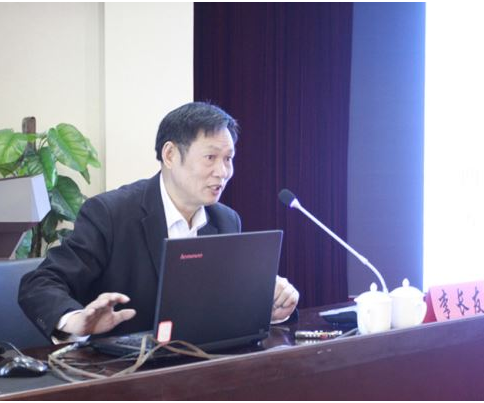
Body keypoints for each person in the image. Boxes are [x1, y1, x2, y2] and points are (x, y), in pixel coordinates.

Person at [19, 101, 299, 342]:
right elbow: (40, 283)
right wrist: (75, 320)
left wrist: (270, 307)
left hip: (201, 365)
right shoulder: (110, 214)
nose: (223, 171)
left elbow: (225, 307)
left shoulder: (225, 220)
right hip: (124, 369)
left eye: (228, 158)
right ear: (170, 155)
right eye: (210, 157)